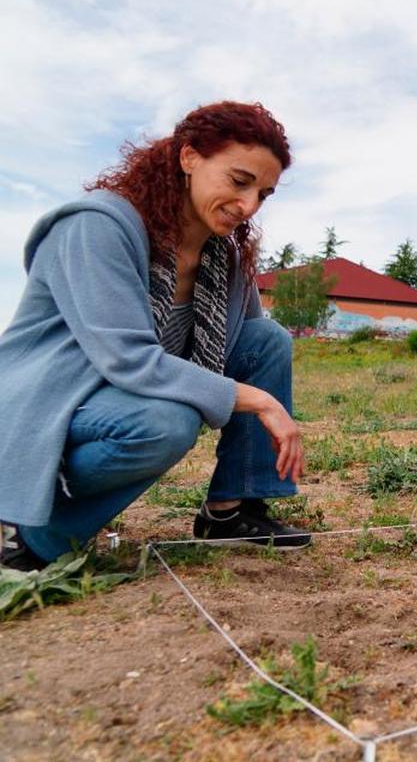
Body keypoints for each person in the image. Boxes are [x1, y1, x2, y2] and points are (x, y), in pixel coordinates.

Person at [0, 101, 310, 572]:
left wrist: (250, 388)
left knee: (265, 338)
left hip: (123, 395)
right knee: (165, 422)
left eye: (263, 194)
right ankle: (29, 530)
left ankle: (232, 511)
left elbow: (247, 344)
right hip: (51, 399)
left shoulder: (221, 253)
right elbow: (128, 360)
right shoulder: (97, 227)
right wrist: (262, 401)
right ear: (189, 158)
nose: (248, 206)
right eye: (238, 180)